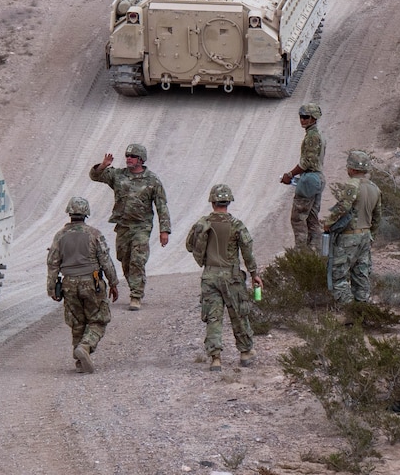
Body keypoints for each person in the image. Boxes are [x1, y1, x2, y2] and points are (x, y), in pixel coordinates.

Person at [185, 183, 261, 371]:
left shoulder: (202, 224)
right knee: (239, 314)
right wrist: (254, 274)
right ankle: (245, 352)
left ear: (212, 202)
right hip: (232, 277)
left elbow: (189, 245)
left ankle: (216, 358)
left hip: (209, 275)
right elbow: (247, 252)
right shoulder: (237, 225)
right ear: (228, 202)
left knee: (213, 317)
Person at [89, 144, 170, 310]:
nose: (128, 159)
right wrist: (103, 165)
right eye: (127, 156)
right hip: (123, 226)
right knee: (124, 259)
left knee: (137, 260)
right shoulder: (118, 175)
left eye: (132, 156)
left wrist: (164, 230)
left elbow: (162, 206)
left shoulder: (152, 180)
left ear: (140, 159)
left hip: (142, 227)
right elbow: (95, 176)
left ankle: (136, 295)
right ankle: (134, 285)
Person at [46, 196, 118, 374]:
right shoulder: (94, 234)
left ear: (69, 213)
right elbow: (106, 261)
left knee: (77, 323)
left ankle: (79, 362)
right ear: (86, 213)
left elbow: (53, 263)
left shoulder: (60, 236)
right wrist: (113, 283)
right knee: (99, 320)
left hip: (69, 283)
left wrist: (51, 288)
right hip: (91, 283)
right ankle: (85, 347)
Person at [323, 150, 382, 307]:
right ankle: (362, 311)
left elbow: (344, 206)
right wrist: (371, 235)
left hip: (349, 237)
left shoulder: (352, 185)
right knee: (361, 276)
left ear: (352, 168)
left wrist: (328, 222)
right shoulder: (375, 188)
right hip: (365, 236)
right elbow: (377, 217)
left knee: (339, 276)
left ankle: (348, 311)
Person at [280, 102, 324, 250]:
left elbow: (306, 162)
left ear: (313, 118)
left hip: (310, 179)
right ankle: (314, 252)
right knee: (312, 219)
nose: (302, 120)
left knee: (298, 219)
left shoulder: (312, 137)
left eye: (306, 117)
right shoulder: (316, 136)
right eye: (301, 117)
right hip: (316, 177)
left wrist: (290, 174)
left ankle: (301, 253)